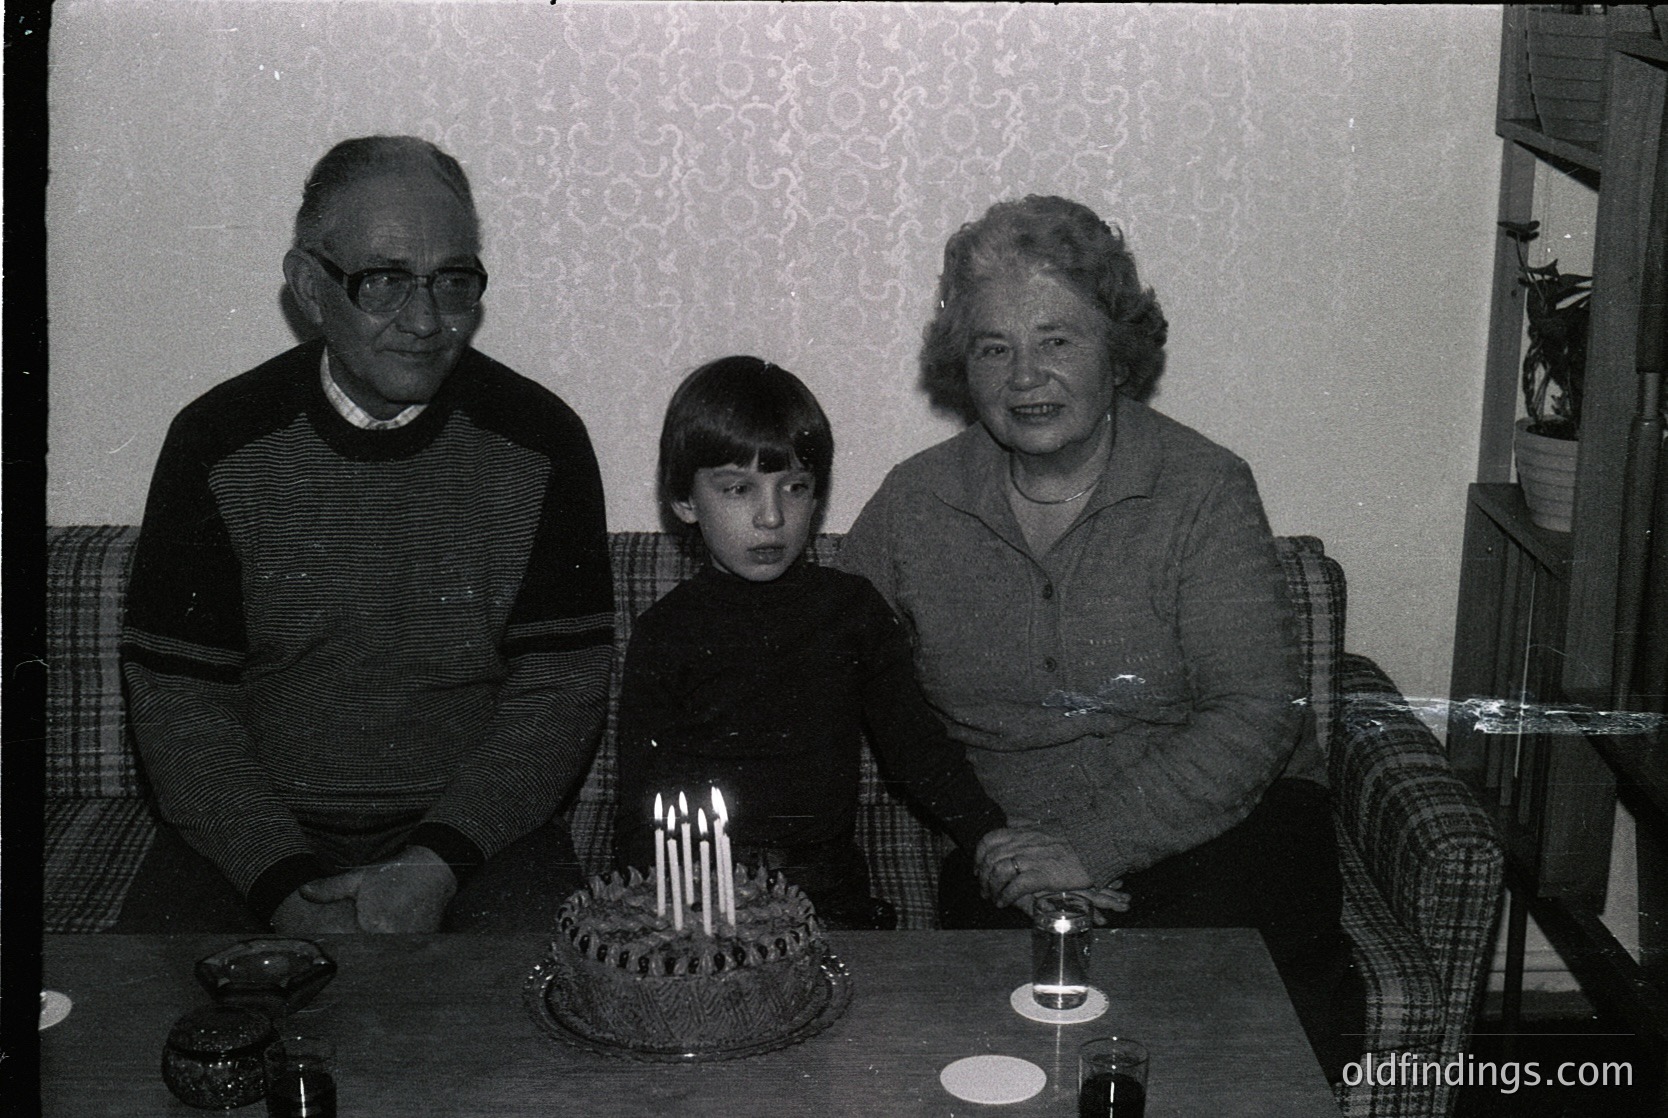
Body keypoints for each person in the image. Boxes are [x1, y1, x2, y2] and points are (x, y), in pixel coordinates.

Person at [837, 195, 1358, 1076]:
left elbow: (1257, 710)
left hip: (1227, 827)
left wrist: (1089, 848)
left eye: (1057, 341)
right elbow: (827, 653)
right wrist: (1009, 845)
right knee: (1000, 1040)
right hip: (1014, 849)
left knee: (1221, 1027)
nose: (1024, 376)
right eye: (993, 348)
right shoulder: (915, 503)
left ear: (1118, 354)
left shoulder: (1202, 488)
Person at [117, 136, 614, 935]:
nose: (424, 320)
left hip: (472, 839)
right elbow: (180, 708)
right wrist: (284, 886)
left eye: (452, 281)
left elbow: (559, 697)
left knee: (544, 1023)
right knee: (153, 1038)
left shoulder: (541, 442)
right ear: (311, 289)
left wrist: (436, 865)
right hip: (253, 837)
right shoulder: (216, 442)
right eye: (383, 282)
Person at [613, 355, 1014, 930]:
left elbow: (919, 752)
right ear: (684, 502)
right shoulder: (666, 631)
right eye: (737, 490)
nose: (771, 517)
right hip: (704, 893)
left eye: (795, 487)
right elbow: (641, 806)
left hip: (824, 890)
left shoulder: (851, 611)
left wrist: (992, 838)